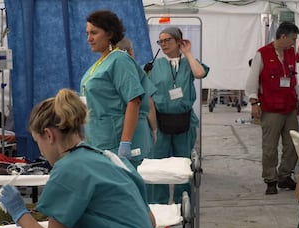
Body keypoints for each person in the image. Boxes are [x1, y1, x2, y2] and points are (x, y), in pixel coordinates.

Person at [0, 88, 155, 228]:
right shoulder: (112, 159)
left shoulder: (67, 169)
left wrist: (20, 213)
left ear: (48, 135)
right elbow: (150, 222)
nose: (41, 151)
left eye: (38, 142)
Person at [79, 10, 152, 168]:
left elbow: (134, 100)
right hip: (100, 139)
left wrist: (125, 142)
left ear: (110, 34)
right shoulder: (101, 62)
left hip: (117, 141)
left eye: (94, 33)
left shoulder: (119, 60)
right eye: (87, 33)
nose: (89, 38)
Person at [146, 27, 209, 204]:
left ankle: (183, 204)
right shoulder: (154, 66)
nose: (163, 44)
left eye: (168, 40)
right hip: (161, 122)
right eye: (160, 41)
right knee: (158, 166)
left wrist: (187, 53)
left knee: (183, 164)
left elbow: (200, 73)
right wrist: (153, 127)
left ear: (178, 42)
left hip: (184, 122)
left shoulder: (190, 63)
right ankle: (159, 206)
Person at [245, 21, 299, 195]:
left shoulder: (291, 53)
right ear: (283, 36)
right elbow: (252, 80)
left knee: (293, 145)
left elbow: (292, 79)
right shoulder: (262, 54)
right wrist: (254, 103)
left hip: (289, 107)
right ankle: (270, 179)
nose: (294, 42)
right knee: (270, 146)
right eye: (292, 39)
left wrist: (297, 100)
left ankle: (284, 176)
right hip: (271, 108)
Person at [116, 37, 158, 144]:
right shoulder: (135, 73)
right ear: (130, 51)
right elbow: (149, 106)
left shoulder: (105, 71)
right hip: (137, 130)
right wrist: (154, 131)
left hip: (116, 130)